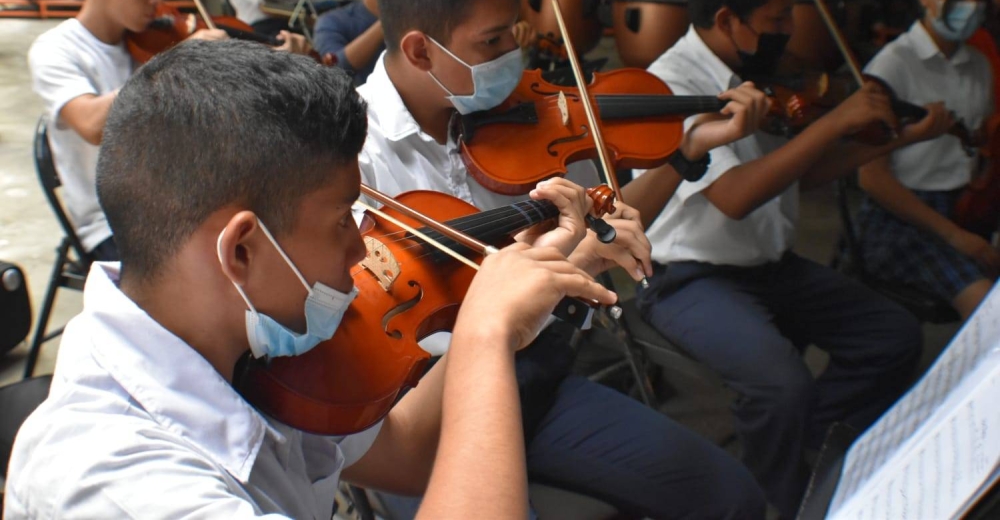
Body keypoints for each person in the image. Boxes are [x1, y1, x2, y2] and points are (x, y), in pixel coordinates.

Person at [6, 37, 627, 518]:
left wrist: (532, 289)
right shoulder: (118, 488)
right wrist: (486, 332)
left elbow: (405, 455)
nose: (362, 249)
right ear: (241, 251)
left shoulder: (244, 344)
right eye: (340, 223)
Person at [360, 0, 769, 518]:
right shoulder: (350, 151)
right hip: (423, 413)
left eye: (514, 33)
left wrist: (683, 154)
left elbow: (606, 219)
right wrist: (557, 262)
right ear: (422, 51)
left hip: (532, 376)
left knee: (731, 497)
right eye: (492, 42)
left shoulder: (516, 116)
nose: (514, 56)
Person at [635, 0, 950, 518]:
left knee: (893, 336)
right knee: (780, 385)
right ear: (727, 19)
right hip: (687, 277)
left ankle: (810, 441)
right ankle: (771, 501)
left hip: (771, 268)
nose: (787, 31)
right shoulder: (672, 84)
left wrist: (897, 138)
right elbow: (735, 196)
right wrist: (832, 124)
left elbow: (802, 173)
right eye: (777, 19)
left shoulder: (759, 75)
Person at [28, 0, 227, 263]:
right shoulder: (55, 50)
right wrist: (174, 62)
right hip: (114, 225)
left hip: (175, 206)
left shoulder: (145, 42)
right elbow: (92, 125)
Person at [858, 0, 997, 316]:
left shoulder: (979, 65)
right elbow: (871, 177)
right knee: (987, 305)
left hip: (963, 210)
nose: (972, 5)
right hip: (901, 219)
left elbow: (977, 145)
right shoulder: (893, 64)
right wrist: (954, 236)